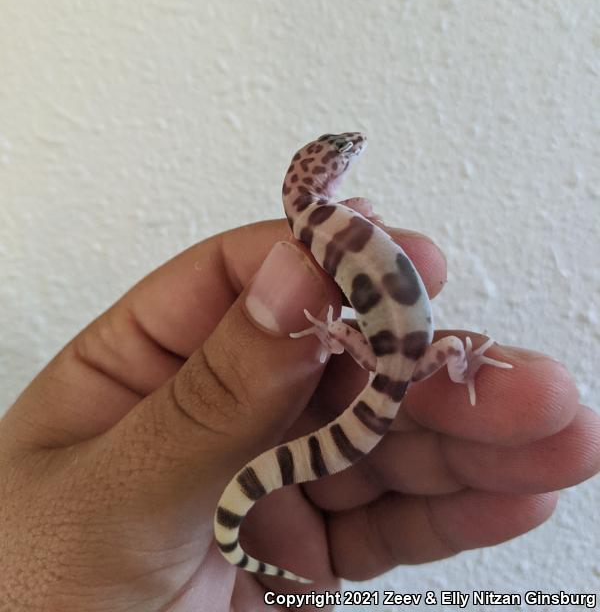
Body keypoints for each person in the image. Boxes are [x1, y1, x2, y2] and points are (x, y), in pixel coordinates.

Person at [1, 219, 598, 611]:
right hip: (400, 362)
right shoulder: (327, 228)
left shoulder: (328, 225)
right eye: (340, 154)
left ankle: (238, 535)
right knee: (459, 360)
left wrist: (336, 335)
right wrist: (448, 362)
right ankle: (238, 533)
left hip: (388, 360)